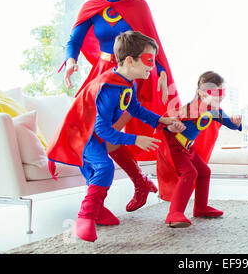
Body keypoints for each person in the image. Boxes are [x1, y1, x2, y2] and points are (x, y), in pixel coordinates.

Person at [61, 0, 181, 212]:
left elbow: (152, 44)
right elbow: (74, 40)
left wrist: (160, 71)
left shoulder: (138, 5)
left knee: (107, 133)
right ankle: (118, 190)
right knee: (85, 135)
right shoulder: (92, 6)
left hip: (130, 77)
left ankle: (128, 188)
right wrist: (70, 60)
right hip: (100, 76)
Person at [46, 31, 185, 242]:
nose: (152, 66)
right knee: (104, 167)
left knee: (98, 171)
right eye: (149, 60)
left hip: (93, 135)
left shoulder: (127, 83)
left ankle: (98, 211)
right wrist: (136, 139)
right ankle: (85, 218)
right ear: (129, 60)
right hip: (81, 136)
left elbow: (136, 109)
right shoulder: (110, 87)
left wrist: (160, 120)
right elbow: (101, 130)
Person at [155, 71, 242, 228]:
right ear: (201, 92)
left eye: (222, 92)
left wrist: (236, 123)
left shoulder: (214, 110)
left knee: (204, 172)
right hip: (175, 146)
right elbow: (164, 123)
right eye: (214, 92)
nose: (220, 96)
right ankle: (174, 214)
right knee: (190, 172)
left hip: (187, 147)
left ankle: (201, 207)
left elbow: (230, 123)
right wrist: (172, 127)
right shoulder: (190, 109)